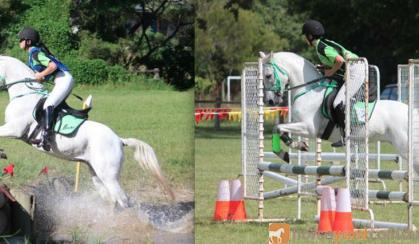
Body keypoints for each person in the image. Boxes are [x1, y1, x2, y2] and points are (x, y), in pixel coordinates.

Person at [302, 19, 359, 147]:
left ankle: (348, 137)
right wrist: (324, 67)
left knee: (338, 102)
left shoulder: (321, 47)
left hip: (356, 69)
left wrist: (330, 72)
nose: (305, 39)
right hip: (354, 68)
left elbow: (339, 60)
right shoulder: (323, 43)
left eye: (305, 36)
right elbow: (336, 60)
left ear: (310, 36)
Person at [18, 27, 74, 151]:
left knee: (49, 104)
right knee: (50, 105)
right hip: (62, 79)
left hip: (63, 79)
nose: (19, 42)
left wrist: (41, 74)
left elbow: (52, 66)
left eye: (21, 39)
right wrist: (42, 76)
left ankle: (47, 138)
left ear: (28, 41)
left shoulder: (35, 53)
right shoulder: (33, 53)